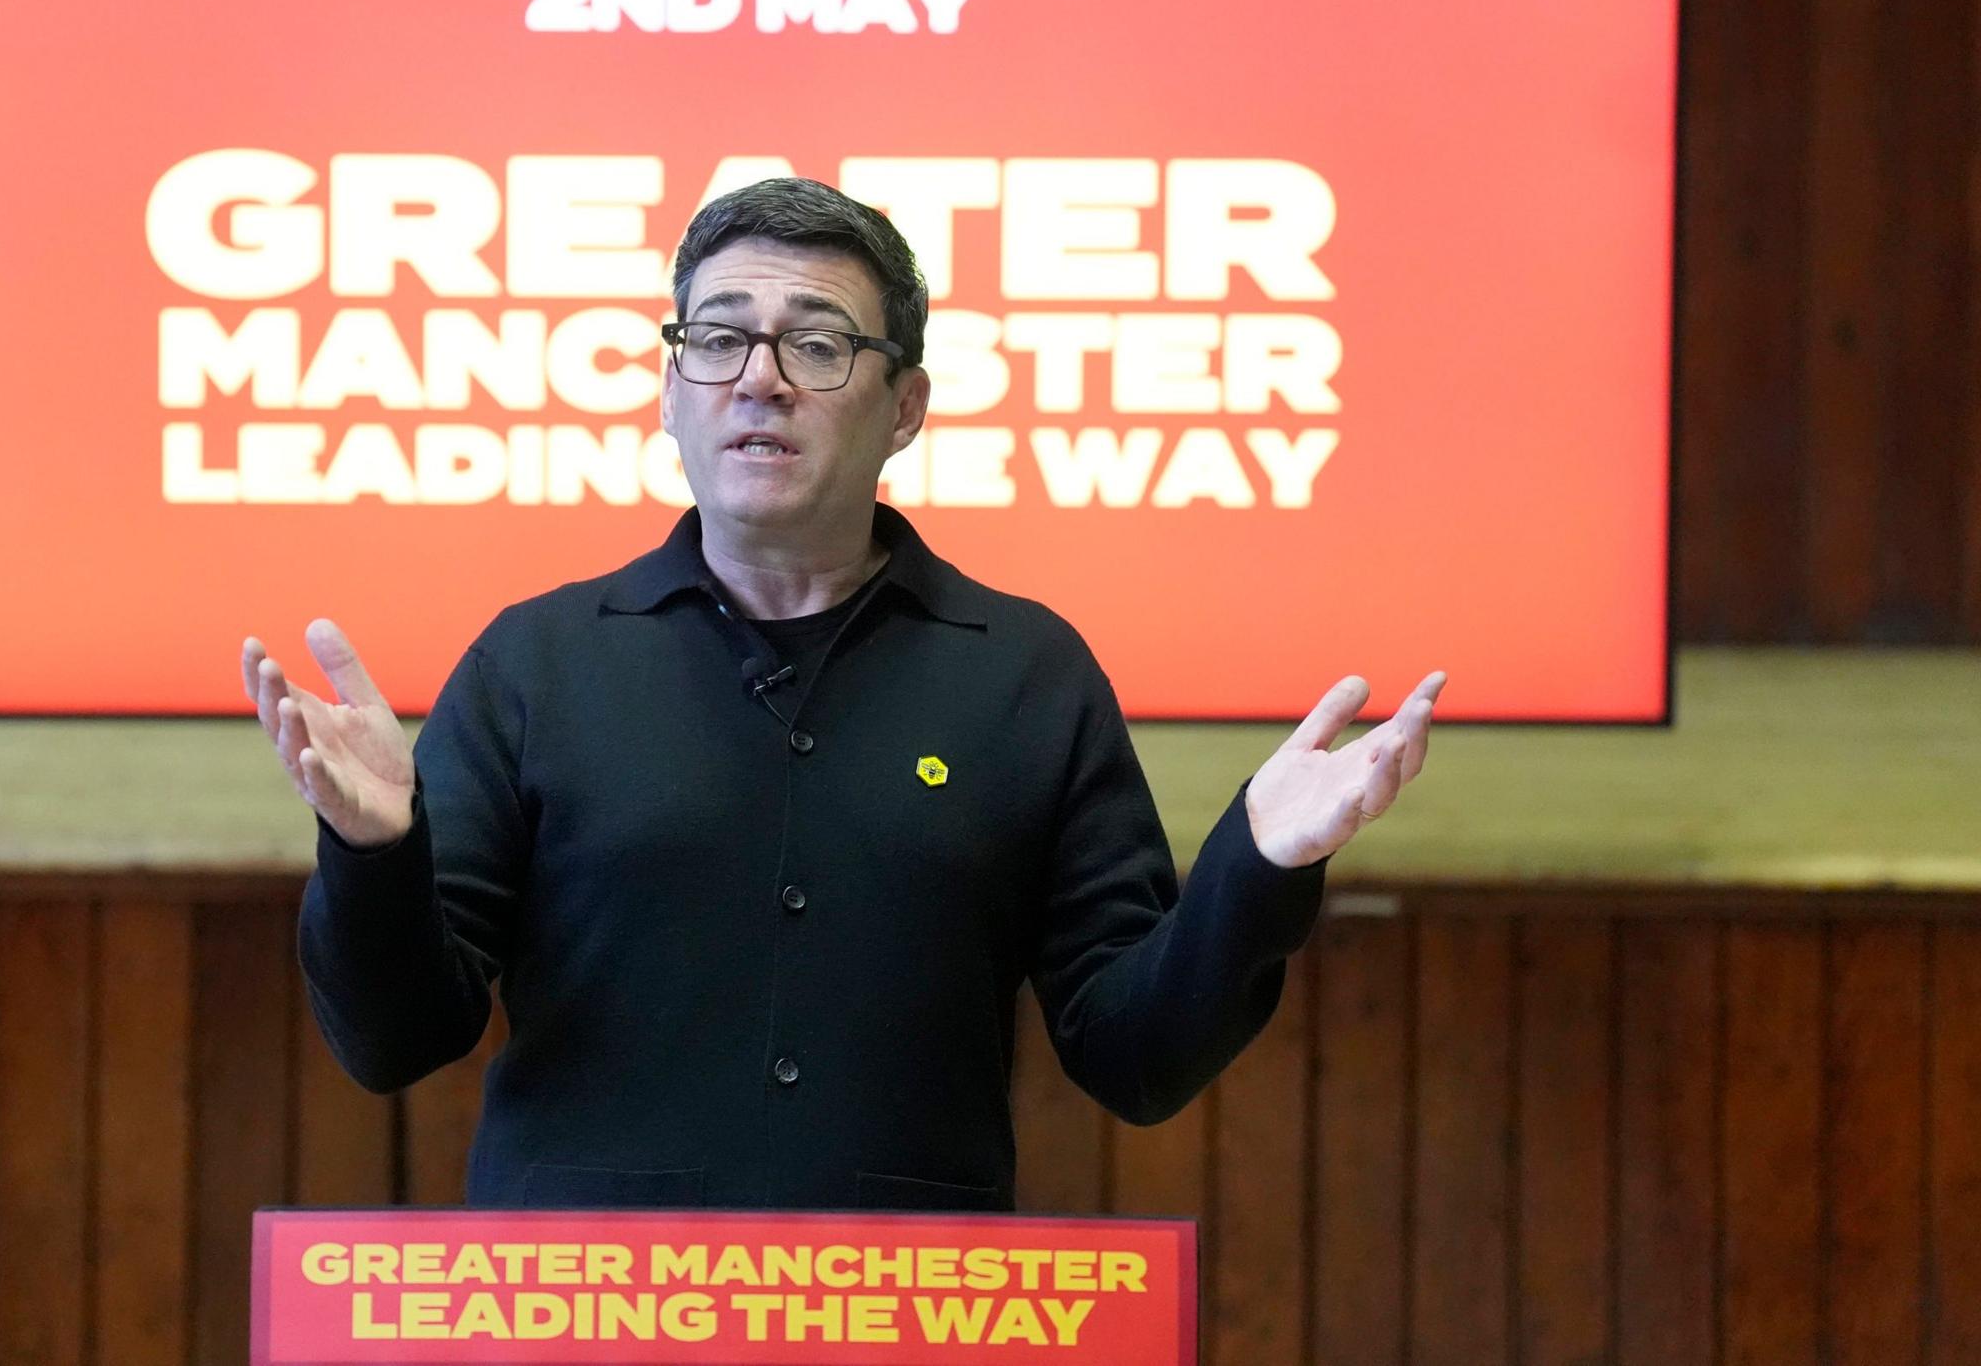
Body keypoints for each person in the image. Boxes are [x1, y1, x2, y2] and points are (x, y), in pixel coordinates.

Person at [243, 177, 1443, 1211]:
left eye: (816, 345)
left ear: (905, 406)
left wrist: (1260, 865)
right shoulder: (536, 662)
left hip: (906, 1305)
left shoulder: (1023, 671)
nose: (757, 380)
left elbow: (1133, 1054)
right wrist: (374, 851)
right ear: (669, 394)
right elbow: (396, 1039)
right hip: (586, 1304)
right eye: (715, 338)